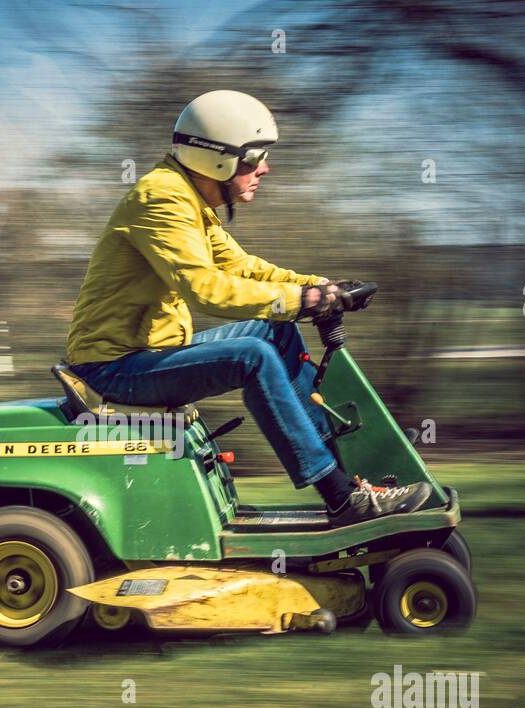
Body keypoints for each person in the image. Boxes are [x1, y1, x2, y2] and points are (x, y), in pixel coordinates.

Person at [65, 90, 430, 526]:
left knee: (272, 333)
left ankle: (349, 472)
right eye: (254, 157)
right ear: (217, 159)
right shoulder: (161, 200)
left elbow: (241, 267)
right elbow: (206, 289)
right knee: (251, 356)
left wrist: (316, 286)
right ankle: (340, 499)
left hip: (148, 356)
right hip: (114, 369)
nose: (264, 168)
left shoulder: (189, 200)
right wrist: (299, 301)